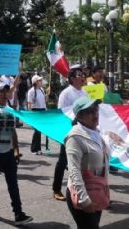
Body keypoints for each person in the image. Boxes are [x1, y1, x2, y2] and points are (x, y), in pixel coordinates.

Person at [0, 79, 33, 225]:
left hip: (8, 153)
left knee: (13, 184)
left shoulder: (9, 109)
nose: (5, 94)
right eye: (1, 92)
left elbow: (12, 131)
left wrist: (16, 150)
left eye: (6, 91)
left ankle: (18, 214)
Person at [65, 96, 109, 229]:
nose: (95, 114)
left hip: (97, 190)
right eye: (90, 111)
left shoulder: (96, 133)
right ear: (79, 116)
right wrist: (84, 200)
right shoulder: (75, 137)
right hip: (82, 194)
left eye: (96, 110)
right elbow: (74, 171)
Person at [53, 66, 87, 201]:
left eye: (83, 74)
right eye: (79, 75)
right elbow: (61, 113)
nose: (83, 76)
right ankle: (56, 189)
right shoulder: (66, 93)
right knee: (63, 161)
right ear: (72, 79)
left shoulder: (84, 92)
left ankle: (82, 189)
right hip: (69, 131)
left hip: (83, 131)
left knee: (82, 162)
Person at [27, 75, 46, 154]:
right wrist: (31, 115)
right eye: (39, 80)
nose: (41, 82)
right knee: (37, 131)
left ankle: (38, 149)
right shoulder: (31, 91)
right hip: (35, 111)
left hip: (42, 111)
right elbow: (29, 103)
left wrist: (47, 95)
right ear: (35, 82)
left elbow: (44, 101)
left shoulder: (42, 89)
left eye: (40, 80)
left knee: (39, 131)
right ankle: (34, 149)